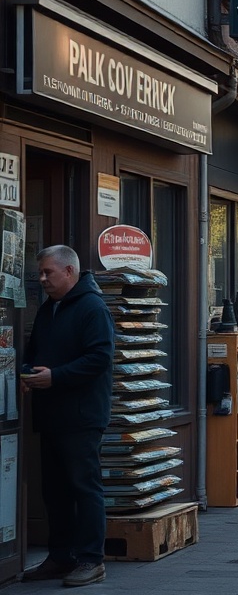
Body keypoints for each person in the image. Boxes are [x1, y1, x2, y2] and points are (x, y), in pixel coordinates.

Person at [21, 245, 114, 587]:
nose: (43, 279)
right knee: (55, 491)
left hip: (81, 417)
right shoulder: (50, 308)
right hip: (51, 415)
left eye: (48, 272)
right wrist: (27, 373)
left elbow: (100, 358)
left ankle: (91, 560)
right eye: (41, 273)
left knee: (84, 488)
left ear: (70, 272)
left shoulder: (93, 308)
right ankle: (60, 557)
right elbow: (36, 350)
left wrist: (55, 377)